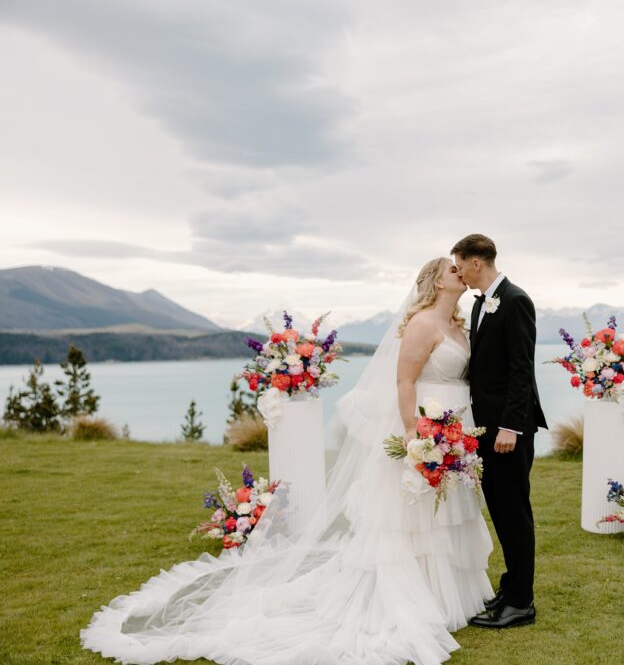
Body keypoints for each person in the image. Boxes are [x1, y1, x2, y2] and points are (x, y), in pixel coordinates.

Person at [80, 257, 493, 665]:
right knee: (412, 517)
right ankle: (416, 600)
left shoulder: (459, 325)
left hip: (455, 426)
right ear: (436, 282)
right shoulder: (421, 323)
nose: (460, 272)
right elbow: (404, 381)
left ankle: (448, 597)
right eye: (452, 269)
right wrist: (414, 433)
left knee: (447, 513)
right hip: (425, 427)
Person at [451, 234, 547, 629]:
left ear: (476, 262)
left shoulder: (516, 300)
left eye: (460, 265)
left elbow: (521, 369)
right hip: (486, 427)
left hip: (510, 431)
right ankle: (510, 588)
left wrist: (510, 427)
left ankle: (522, 603)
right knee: (502, 512)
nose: (458, 272)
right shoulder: (480, 303)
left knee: (514, 513)